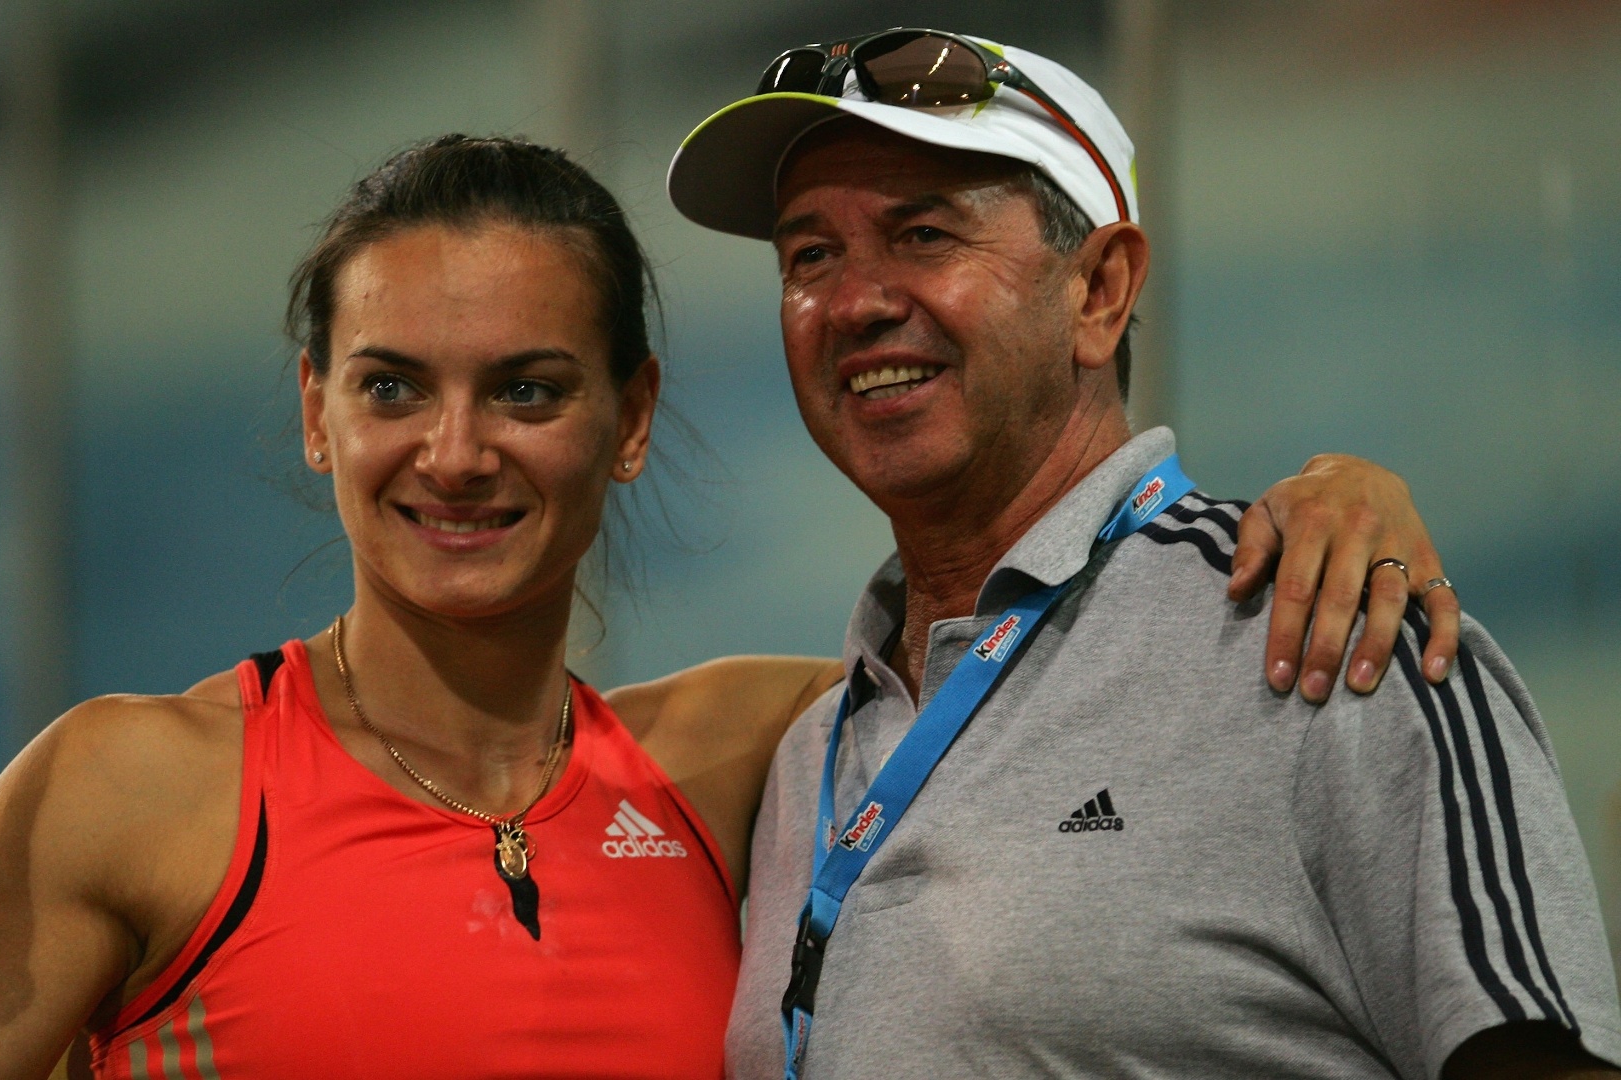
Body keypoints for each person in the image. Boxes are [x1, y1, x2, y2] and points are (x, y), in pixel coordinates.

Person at [0, 136, 1442, 1080]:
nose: (457, 454)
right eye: (395, 387)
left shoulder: (763, 761)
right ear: (315, 408)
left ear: (627, 422)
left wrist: (1333, 497)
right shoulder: (140, 789)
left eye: (529, 389)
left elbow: (1074, 629)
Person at [664, 28, 1621, 1080]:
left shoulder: (1327, 636)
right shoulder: (813, 751)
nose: (855, 301)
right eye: (810, 256)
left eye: (925, 235)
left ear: (1100, 291)